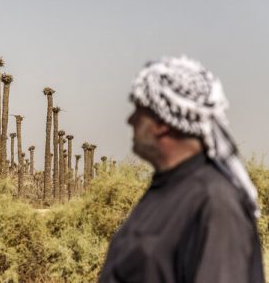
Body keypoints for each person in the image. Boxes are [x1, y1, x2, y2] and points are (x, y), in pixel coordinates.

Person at [99, 56, 264, 283]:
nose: (130, 120)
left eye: (139, 111)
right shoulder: (168, 190)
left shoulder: (215, 202)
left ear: (162, 123)